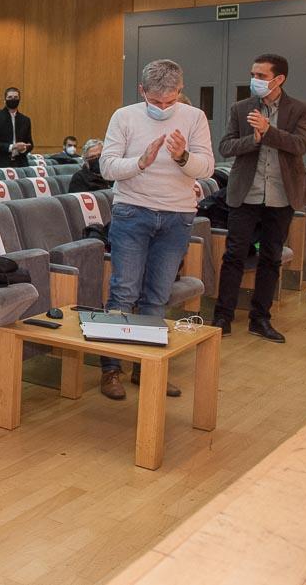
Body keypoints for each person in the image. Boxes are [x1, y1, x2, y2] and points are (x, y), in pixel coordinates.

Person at [97, 59, 214, 400]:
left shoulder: (194, 117)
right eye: (156, 101)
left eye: (170, 100)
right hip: (132, 212)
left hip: (177, 216)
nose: (163, 107)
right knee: (123, 293)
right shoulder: (125, 116)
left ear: (180, 91)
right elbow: (107, 166)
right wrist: (141, 162)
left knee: (157, 297)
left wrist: (182, 157)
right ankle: (111, 370)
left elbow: (205, 166)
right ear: (142, 91)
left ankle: (148, 370)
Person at [213, 53, 306, 341]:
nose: (255, 80)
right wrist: (254, 139)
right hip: (245, 194)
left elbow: (301, 145)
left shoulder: (300, 109)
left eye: (262, 76)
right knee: (234, 255)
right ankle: (222, 316)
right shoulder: (240, 107)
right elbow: (226, 146)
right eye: (253, 75)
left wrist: (269, 132)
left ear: (279, 79)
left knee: (271, 257)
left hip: (282, 196)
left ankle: (260, 318)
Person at [0, 87, 33, 168]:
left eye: (15, 97)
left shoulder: (25, 120)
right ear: (5, 100)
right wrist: (12, 147)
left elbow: (30, 144)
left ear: (19, 100)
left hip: (20, 164)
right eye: (10, 97)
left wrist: (23, 148)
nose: (13, 99)